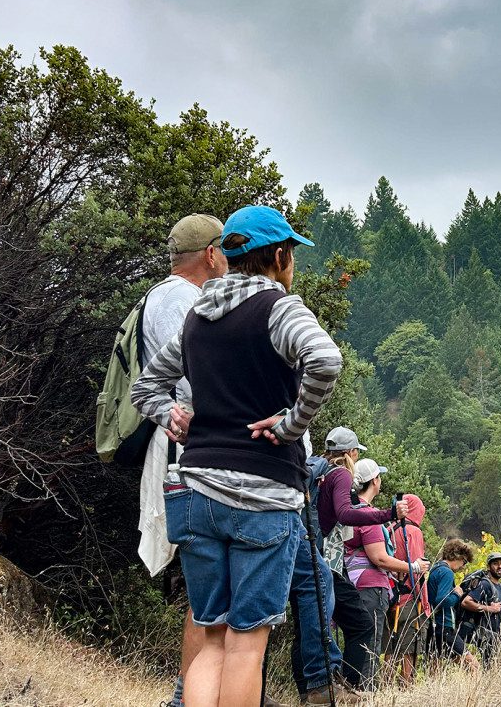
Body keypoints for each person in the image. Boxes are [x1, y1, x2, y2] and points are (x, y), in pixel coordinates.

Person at [132, 205, 343, 707]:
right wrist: (293, 423)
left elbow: (145, 388)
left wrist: (171, 415)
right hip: (262, 494)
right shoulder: (279, 307)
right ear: (278, 255)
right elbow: (326, 359)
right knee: (246, 642)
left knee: (212, 636)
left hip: (196, 491)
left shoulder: (197, 317)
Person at [136, 213, 227, 707]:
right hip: (186, 444)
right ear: (212, 254)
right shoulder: (181, 300)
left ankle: (196, 693)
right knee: (207, 579)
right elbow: (193, 376)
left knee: (206, 578)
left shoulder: (161, 294)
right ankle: (185, 696)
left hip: (180, 443)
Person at [313, 427, 408, 693]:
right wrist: (388, 515)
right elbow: (377, 554)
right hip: (334, 567)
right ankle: (352, 687)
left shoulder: (320, 473)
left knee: (316, 622)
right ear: (350, 452)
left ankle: (318, 687)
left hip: (317, 561)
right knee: (365, 629)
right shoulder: (342, 475)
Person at [342, 460, 429, 690]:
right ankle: (367, 693)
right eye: (379, 477)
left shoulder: (349, 512)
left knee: (357, 639)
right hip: (372, 587)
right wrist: (415, 567)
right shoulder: (368, 515)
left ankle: (350, 689)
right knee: (371, 645)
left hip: (350, 583)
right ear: (374, 481)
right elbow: (379, 558)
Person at [384, 493, 429, 685]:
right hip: (410, 596)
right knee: (409, 643)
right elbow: (418, 567)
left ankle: (384, 685)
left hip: (389, 595)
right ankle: (406, 683)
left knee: (389, 646)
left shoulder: (388, 528)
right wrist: (424, 600)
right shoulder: (413, 532)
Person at [425, 539, 478, 671]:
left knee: (435, 666)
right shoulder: (447, 572)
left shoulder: (436, 569)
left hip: (434, 625)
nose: (463, 567)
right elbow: (442, 601)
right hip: (445, 626)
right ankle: (474, 692)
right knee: (473, 664)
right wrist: (457, 594)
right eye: (464, 562)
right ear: (457, 556)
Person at [459, 552, 501, 666]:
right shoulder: (484, 584)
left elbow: (500, 610)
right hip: (484, 636)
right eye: (495, 563)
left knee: (495, 671)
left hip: (497, 636)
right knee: (492, 669)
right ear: (489, 567)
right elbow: (466, 602)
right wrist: (490, 608)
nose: (500, 566)